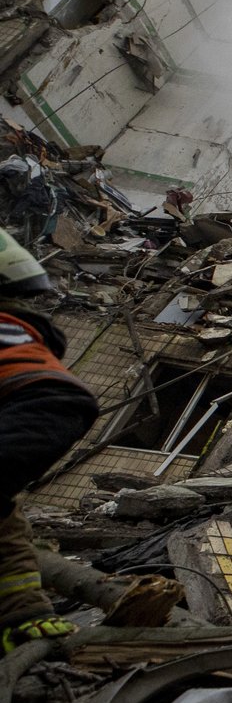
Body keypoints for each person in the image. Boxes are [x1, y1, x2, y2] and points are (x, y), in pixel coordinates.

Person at [0, 228, 101, 652]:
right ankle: (20, 614)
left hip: (40, 401)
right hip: (52, 402)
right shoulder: (18, 330)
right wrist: (26, 611)